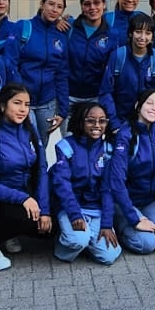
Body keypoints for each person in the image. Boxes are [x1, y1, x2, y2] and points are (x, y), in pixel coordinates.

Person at [0, 84, 52, 271]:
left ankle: (9, 234)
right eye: (17, 103)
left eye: (26, 104)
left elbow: (41, 169)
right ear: (2, 106)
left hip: (25, 198)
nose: (23, 109)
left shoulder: (30, 131)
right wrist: (23, 199)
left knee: (52, 227)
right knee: (24, 219)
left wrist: (45, 210)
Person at [106, 89, 155, 254]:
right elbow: (116, 181)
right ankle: (122, 227)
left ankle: (145, 223)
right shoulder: (125, 135)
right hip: (127, 202)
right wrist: (135, 219)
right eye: (149, 103)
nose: (154, 108)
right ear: (137, 106)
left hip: (152, 200)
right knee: (147, 244)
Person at [49, 102, 123, 265]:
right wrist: (75, 214)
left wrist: (106, 224)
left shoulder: (108, 149)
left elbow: (107, 189)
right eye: (91, 120)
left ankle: (87, 242)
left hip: (95, 208)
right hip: (71, 207)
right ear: (81, 122)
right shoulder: (65, 146)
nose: (97, 125)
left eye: (102, 121)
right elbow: (62, 185)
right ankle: (63, 245)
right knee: (78, 240)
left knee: (109, 256)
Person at [97, 12, 155, 136]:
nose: (142, 37)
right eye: (138, 31)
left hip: (147, 123)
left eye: (148, 33)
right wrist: (114, 124)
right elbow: (106, 92)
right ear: (130, 33)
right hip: (121, 122)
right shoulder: (118, 56)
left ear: (152, 37)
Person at [13, 0, 71, 143]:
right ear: (42, 4)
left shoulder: (61, 35)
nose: (54, 9)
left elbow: (61, 74)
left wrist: (63, 111)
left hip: (48, 103)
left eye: (59, 7)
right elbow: (10, 62)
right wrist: (19, 94)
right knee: (25, 146)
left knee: (42, 148)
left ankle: (41, 168)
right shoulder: (24, 27)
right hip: (25, 102)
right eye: (51, 4)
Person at [67, 0, 116, 106]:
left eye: (96, 3)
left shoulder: (112, 35)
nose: (92, 7)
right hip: (68, 96)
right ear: (82, 7)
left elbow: (111, 70)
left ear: (104, 5)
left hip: (95, 97)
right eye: (87, 4)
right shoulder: (69, 27)